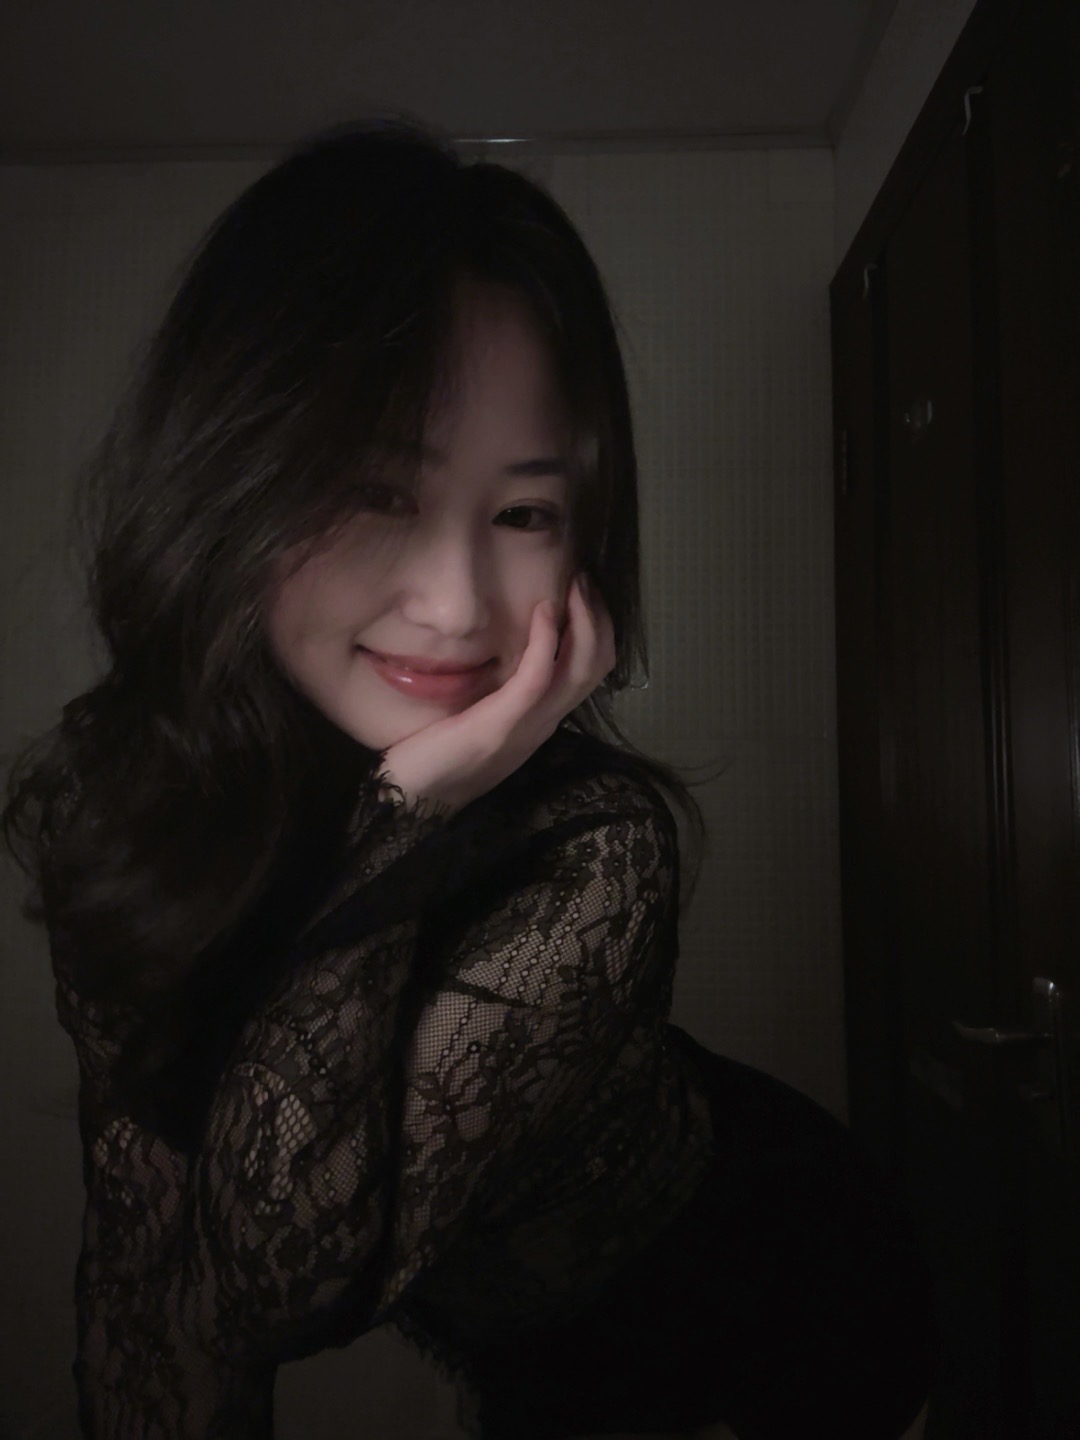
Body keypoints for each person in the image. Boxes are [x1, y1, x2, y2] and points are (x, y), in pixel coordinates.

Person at [1, 117, 936, 1439]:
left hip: (770, 1293)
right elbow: (145, 1267)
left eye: (525, 514)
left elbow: (269, 1290)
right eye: (377, 493)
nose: (454, 605)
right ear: (229, 474)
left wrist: (407, 808)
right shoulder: (122, 804)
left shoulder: (597, 846)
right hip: (520, 1348)